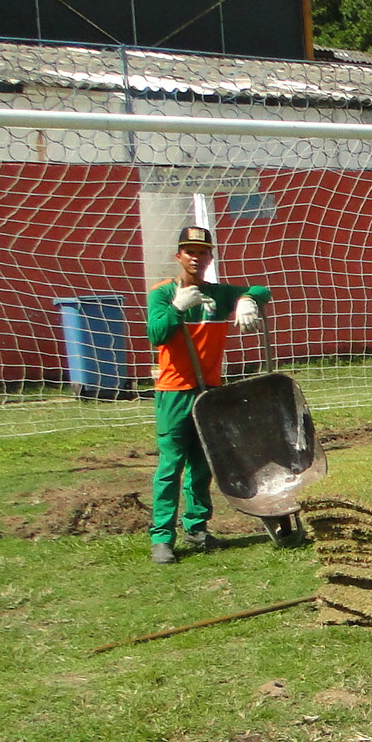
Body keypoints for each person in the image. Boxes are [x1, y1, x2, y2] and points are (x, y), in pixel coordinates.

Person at [145, 224, 271, 565]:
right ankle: (161, 539)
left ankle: (197, 529)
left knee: (203, 465)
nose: (196, 258)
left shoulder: (219, 294)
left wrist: (247, 301)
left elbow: (263, 289)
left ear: (210, 257)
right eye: (189, 252)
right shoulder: (161, 294)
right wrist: (177, 308)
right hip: (174, 391)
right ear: (178, 256)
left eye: (202, 252)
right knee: (171, 465)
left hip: (209, 392)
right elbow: (156, 335)